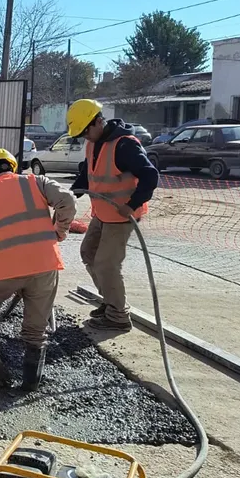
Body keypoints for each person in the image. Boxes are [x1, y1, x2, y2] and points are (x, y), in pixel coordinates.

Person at [0, 148, 76, 390]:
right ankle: (30, 384)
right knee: (36, 331)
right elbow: (68, 201)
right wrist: (59, 231)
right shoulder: (34, 182)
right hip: (44, 264)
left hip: (3, 270)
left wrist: (15, 279)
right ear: (11, 167)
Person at [67, 99, 159, 332]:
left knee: (106, 264)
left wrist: (132, 204)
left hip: (122, 216)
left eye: (85, 131)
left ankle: (118, 315)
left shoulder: (124, 145)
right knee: (88, 252)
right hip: (102, 213)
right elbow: (88, 174)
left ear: (98, 121)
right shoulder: (93, 144)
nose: (84, 137)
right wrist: (68, 196)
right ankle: (111, 301)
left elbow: (150, 176)